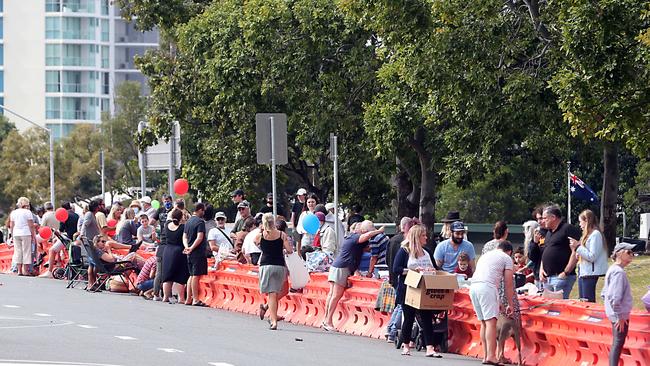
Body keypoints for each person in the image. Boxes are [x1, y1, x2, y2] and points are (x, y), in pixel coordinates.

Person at [322, 220, 384, 331]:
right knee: (335, 295)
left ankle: (326, 319)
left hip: (338, 266)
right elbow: (367, 236)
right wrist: (378, 231)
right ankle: (328, 321)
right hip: (342, 268)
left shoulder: (352, 240)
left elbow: (367, 247)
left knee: (331, 295)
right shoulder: (355, 237)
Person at [392, 223, 443, 357]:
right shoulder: (404, 251)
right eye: (423, 236)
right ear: (416, 237)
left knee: (427, 318)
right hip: (408, 289)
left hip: (424, 289)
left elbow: (436, 269)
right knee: (408, 318)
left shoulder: (427, 252)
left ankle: (430, 347)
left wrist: (432, 270)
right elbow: (396, 268)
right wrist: (412, 271)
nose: (426, 238)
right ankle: (406, 345)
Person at [469, 241, 515, 365]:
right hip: (487, 288)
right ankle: (492, 356)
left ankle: (485, 355)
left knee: (483, 322)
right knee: (491, 323)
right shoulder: (506, 258)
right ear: (509, 252)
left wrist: (498, 300)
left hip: (474, 287)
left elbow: (488, 275)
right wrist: (510, 304)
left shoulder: (485, 255)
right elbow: (508, 283)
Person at [256, 213, 293, 330]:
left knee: (271, 294)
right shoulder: (282, 235)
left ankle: (273, 320)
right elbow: (290, 250)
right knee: (275, 293)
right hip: (279, 265)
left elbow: (256, 244)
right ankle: (272, 317)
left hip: (265, 265)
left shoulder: (260, 236)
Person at [602, 242, 635, 366]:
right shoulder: (619, 272)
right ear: (619, 254)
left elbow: (604, 293)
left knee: (617, 342)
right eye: (629, 252)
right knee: (618, 343)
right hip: (619, 316)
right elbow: (614, 297)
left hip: (615, 314)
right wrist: (619, 316)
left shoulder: (613, 269)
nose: (632, 255)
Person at [540, 204, 581, 299]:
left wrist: (565, 272)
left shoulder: (567, 229)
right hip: (547, 277)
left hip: (560, 276)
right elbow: (545, 252)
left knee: (559, 308)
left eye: (545, 218)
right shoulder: (549, 233)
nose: (543, 221)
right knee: (548, 307)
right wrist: (541, 270)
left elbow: (575, 251)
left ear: (553, 217)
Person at [384, 217, 413, 343]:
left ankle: (390, 328)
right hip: (403, 277)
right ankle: (393, 330)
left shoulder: (392, 240)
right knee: (402, 305)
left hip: (393, 276)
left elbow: (386, 259)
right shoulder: (406, 243)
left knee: (399, 304)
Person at [569, 209, 608, 302]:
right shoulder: (587, 235)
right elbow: (585, 253)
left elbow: (592, 256)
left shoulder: (595, 235)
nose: (579, 225)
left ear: (586, 220)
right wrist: (578, 253)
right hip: (583, 272)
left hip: (590, 273)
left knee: (588, 301)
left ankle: (591, 316)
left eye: (580, 222)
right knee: (583, 300)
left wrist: (578, 246)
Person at [161, 209, 189, 304]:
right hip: (179, 251)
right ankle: (181, 298)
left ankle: (165, 296)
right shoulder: (183, 227)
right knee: (180, 276)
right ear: (181, 217)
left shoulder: (167, 225)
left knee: (167, 275)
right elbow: (185, 238)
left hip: (167, 250)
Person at [183, 203, 208, 306]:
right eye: (203, 210)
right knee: (196, 276)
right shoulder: (200, 222)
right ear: (200, 210)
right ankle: (196, 299)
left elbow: (184, 236)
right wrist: (192, 248)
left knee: (191, 275)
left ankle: (188, 298)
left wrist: (187, 247)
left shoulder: (188, 222)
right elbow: (200, 237)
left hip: (189, 252)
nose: (204, 212)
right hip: (198, 252)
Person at [9, 197, 36, 276]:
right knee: (26, 251)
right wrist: (33, 235)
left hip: (16, 233)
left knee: (18, 252)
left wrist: (12, 234)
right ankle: (25, 270)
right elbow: (31, 225)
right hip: (26, 233)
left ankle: (19, 271)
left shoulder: (13, 213)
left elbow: (11, 225)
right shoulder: (28, 212)